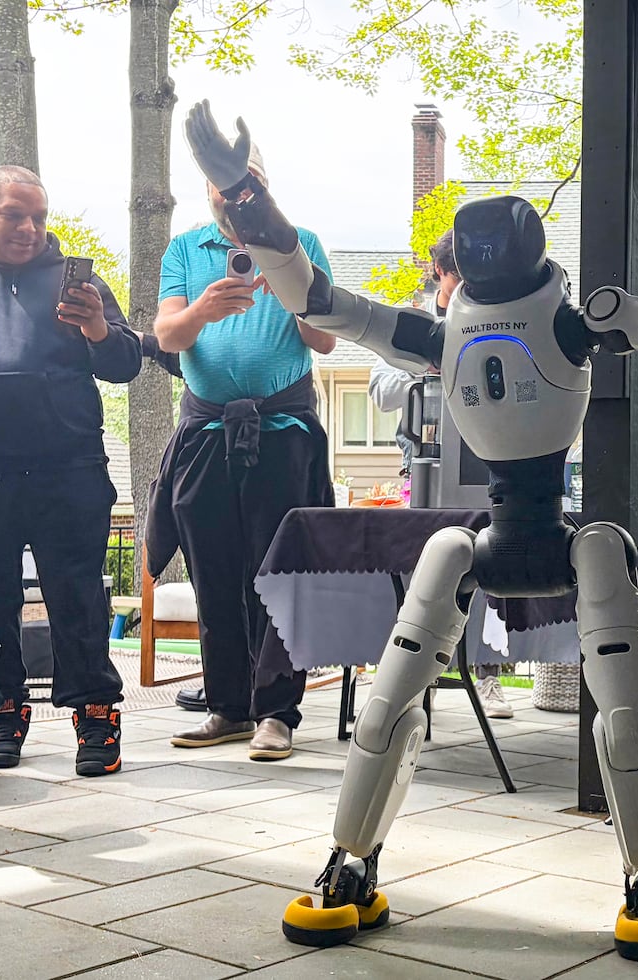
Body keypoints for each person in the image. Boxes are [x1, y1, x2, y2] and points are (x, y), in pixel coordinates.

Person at [0, 165, 142, 776]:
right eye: (13, 214)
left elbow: (127, 363)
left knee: (77, 594)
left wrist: (97, 328)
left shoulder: (74, 282)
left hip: (67, 468)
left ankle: (96, 715)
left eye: (39, 216)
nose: (29, 228)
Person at [147, 142, 335, 761]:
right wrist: (202, 308)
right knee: (214, 575)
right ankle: (227, 707)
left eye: (247, 178)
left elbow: (325, 340)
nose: (234, 193)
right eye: (223, 182)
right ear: (208, 188)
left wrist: (287, 279)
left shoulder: (298, 241)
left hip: (282, 435)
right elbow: (167, 335)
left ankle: (277, 713)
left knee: (277, 575)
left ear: (264, 182)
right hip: (205, 437)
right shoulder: (184, 249)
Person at [367, 229, 514, 720]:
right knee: (423, 572)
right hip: (424, 470)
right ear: (441, 275)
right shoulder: (409, 324)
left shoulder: (494, 322)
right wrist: (427, 367)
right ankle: (415, 678)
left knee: (490, 569)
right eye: (463, 278)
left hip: (486, 469)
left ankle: (488, 676)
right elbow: (382, 392)